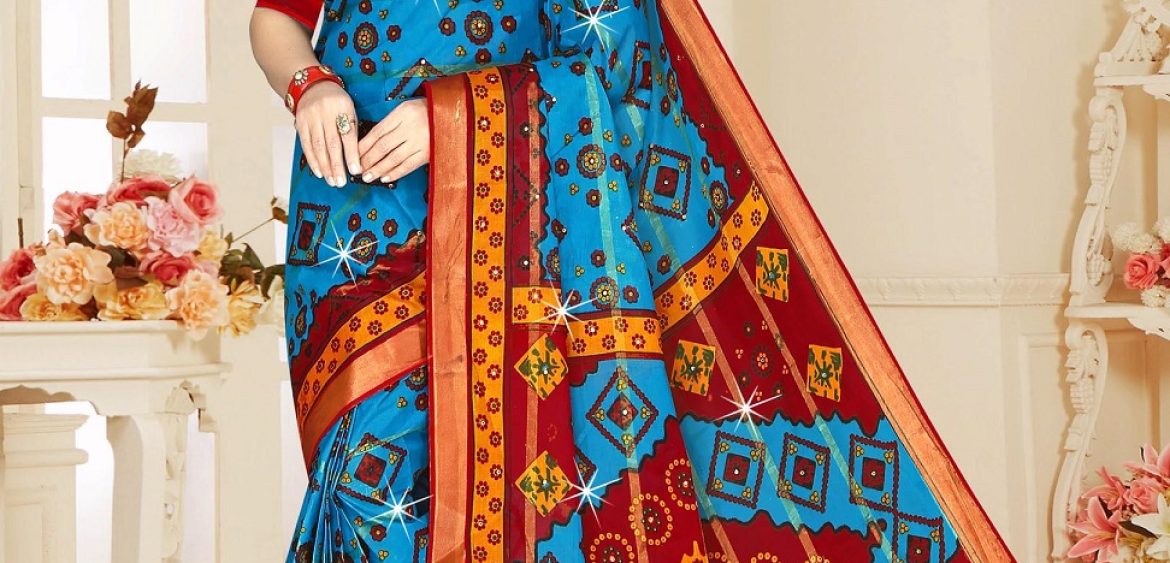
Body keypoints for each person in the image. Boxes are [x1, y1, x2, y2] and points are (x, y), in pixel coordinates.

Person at [250, 1, 1010, 561]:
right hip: (351, 219)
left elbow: (616, 71)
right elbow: (277, 15)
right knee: (362, 488)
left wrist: (453, 121)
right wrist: (309, 84)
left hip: (511, 228)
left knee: (485, 498)